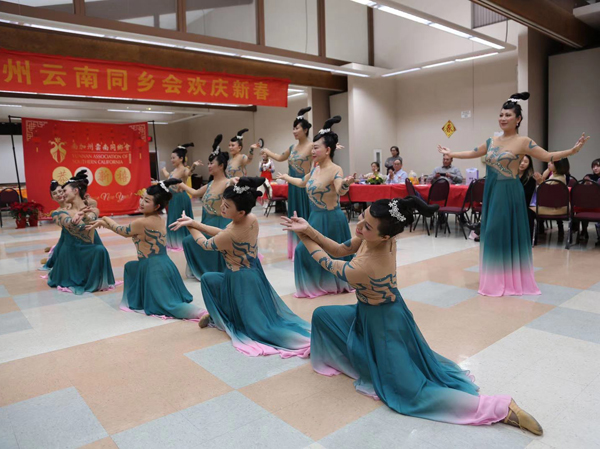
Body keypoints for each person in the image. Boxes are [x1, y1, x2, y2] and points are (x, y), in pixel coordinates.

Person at [281, 197, 543, 435]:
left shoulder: (365, 265)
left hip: (384, 323)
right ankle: (350, 357)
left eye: (367, 226)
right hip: (372, 311)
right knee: (323, 316)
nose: (359, 227)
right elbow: (340, 248)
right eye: (363, 217)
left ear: (385, 236)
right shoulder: (377, 236)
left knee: (409, 393)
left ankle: (501, 408)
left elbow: (326, 261)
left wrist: (302, 235)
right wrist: (308, 228)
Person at [437, 92, 589, 297]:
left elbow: (547, 155)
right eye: (501, 114)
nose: (503, 118)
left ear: (518, 119)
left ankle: (511, 278)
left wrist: (572, 151)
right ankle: (494, 278)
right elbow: (473, 152)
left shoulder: (523, 141)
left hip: (510, 191)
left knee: (505, 232)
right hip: (493, 191)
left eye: (508, 115)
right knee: (491, 232)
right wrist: (451, 153)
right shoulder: (491, 141)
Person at [170, 177, 310, 358]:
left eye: (227, 206)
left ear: (241, 212)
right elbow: (225, 233)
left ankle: (224, 318)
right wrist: (196, 224)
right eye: (223, 202)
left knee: (258, 327)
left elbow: (206, 244)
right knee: (209, 279)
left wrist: (190, 227)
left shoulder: (232, 232)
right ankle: (220, 315)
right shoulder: (251, 219)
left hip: (240, 278)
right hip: (252, 271)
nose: (222, 207)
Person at [88, 179, 205, 320]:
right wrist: (104, 222)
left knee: (169, 305)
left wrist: (105, 218)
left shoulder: (142, 222)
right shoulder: (159, 219)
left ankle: (202, 314)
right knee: (130, 267)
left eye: (147, 201)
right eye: (142, 198)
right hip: (165, 264)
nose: (142, 202)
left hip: (154, 268)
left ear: (157, 206)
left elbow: (122, 231)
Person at [276, 116, 355, 298]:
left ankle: (331, 284)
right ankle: (318, 283)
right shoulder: (314, 169)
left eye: (316, 148)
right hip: (315, 217)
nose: (312, 151)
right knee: (304, 251)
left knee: (326, 253)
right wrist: (286, 177)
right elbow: (302, 182)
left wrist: (346, 183)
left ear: (327, 150)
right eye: (312, 147)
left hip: (331, 219)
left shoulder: (336, 169)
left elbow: (340, 190)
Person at [47, 171, 116, 295]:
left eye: (63, 191)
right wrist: (73, 221)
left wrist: (85, 216)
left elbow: (92, 215)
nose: (61, 194)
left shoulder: (91, 207)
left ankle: (93, 279)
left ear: (75, 191)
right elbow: (65, 221)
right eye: (56, 193)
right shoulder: (60, 212)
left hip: (88, 242)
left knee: (100, 250)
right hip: (70, 247)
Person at [261, 107, 313, 258]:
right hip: (293, 186)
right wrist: (267, 151)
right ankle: (296, 249)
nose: (294, 131)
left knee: (306, 215)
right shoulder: (292, 147)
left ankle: (309, 248)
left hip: (304, 185)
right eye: (293, 128)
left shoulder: (312, 146)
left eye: (297, 128)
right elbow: (279, 157)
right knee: (294, 215)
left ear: (305, 130)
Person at [180, 135, 232, 280]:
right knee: (188, 240)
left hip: (221, 224)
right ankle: (205, 268)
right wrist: (180, 183)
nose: (208, 166)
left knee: (189, 240)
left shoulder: (227, 183)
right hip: (208, 222)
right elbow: (195, 193)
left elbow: (233, 189)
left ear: (221, 166)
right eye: (208, 163)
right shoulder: (210, 184)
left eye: (211, 163)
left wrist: (234, 182)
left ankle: (213, 269)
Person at [162, 143, 202, 250]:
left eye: (173, 158)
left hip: (180, 198)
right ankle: (173, 242)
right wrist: (164, 170)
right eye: (171, 158)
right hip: (173, 199)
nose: (171, 160)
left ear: (181, 158)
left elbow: (189, 173)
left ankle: (181, 242)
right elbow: (168, 177)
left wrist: (193, 166)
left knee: (180, 219)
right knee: (173, 218)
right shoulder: (173, 171)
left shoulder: (184, 169)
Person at [40, 180, 66, 269]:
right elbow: (65, 226)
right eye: (54, 193)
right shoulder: (56, 212)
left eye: (60, 191)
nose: (58, 194)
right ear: (52, 198)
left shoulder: (74, 204)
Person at [519, 154, 537, 240]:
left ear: (529, 164)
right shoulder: (511, 176)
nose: (522, 163)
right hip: (512, 203)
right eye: (520, 161)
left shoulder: (531, 178)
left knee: (528, 212)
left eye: (525, 162)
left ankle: (527, 239)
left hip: (525, 204)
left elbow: (528, 194)